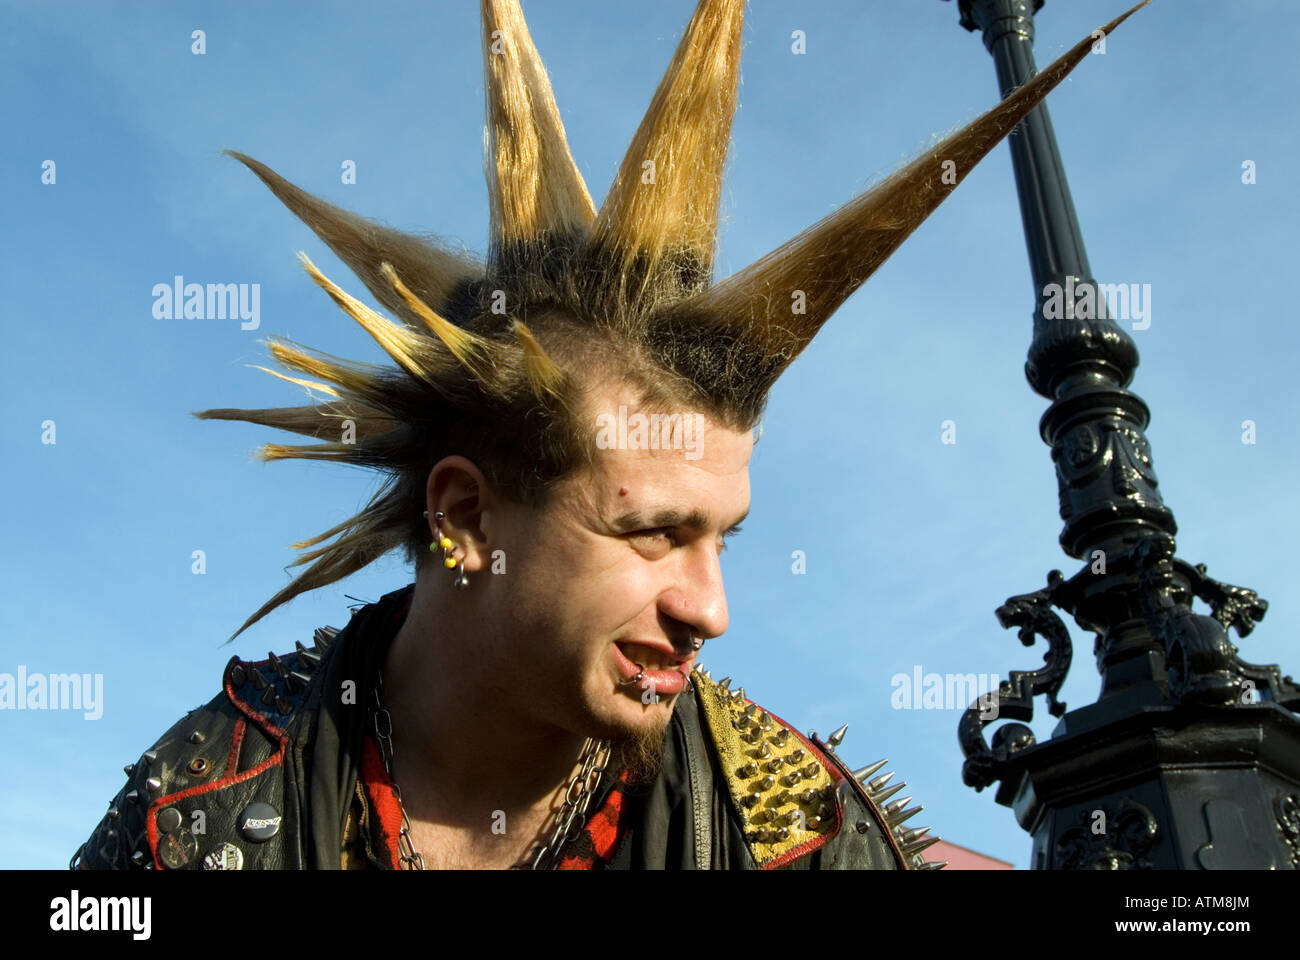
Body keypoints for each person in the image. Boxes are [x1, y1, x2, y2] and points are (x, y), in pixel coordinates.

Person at [71, 0, 1145, 870]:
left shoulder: (792, 830)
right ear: (462, 516)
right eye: (652, 535)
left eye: (722, 538)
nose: (710, 609)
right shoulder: (201, 808)